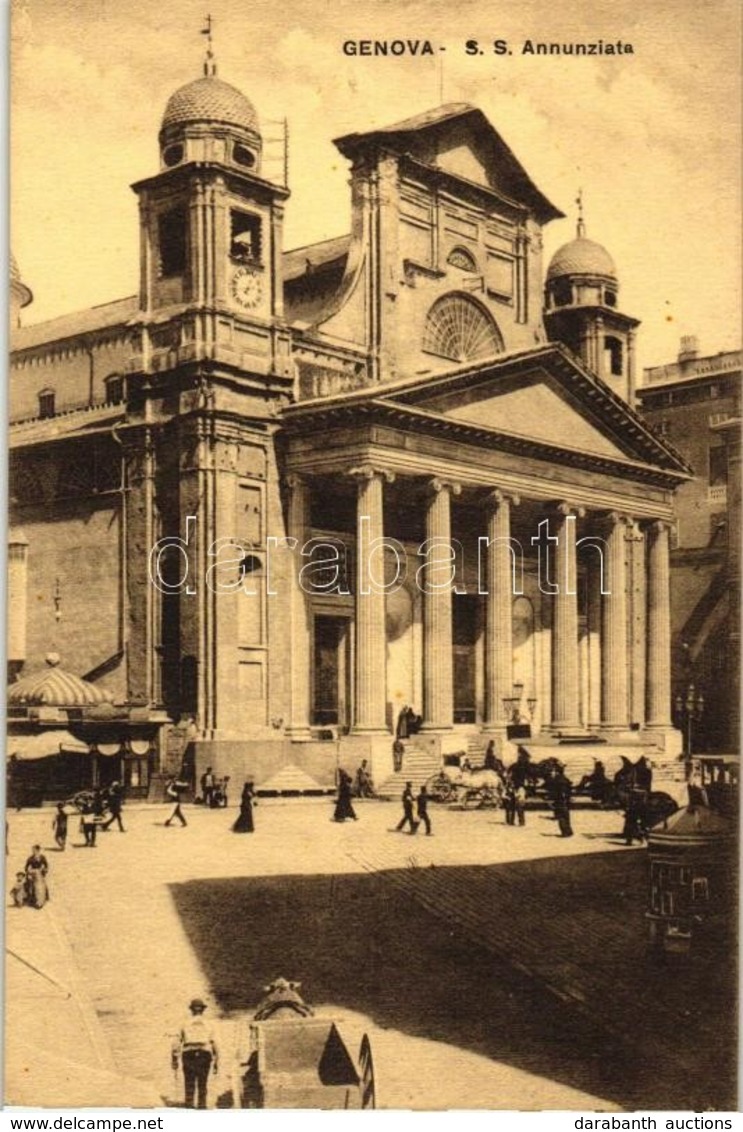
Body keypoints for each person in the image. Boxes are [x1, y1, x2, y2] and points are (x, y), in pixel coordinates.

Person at [172, 998, 219, 1109]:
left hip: (189, 1053)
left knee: (189, 1081)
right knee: (203, 1082)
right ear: (203, 1010)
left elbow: (176, 1043)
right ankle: (202, 1106)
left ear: (191, 1010)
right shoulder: (210, 1024)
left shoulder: (184, 1023)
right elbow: (214, 1042)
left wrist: (174, 1059)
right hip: (204, 1053)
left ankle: (189, 1105)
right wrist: (217, 1060)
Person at [551, 771, 573, 837]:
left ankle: (565, 832)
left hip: (560, 800)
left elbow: (557, 791)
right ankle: (569, 831)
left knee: (561, 816)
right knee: (566, 816)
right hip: (565, 800)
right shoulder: (565, 779)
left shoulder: (557, 780)